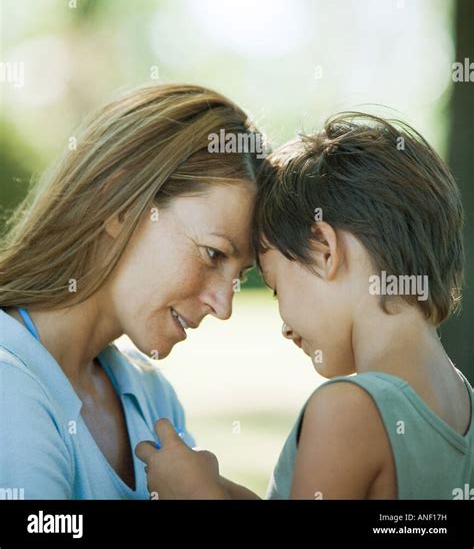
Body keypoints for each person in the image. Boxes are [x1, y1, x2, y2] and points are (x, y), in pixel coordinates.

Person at [136, 112, 474, 500]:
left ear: (324, 250)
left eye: (276, 287)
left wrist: (194, 493)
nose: (284, 326)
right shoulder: (462, 408)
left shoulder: (347, 410)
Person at [0, 83, 263, 499]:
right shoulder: (8, 386)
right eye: (213, 254)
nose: (224, 305)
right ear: (120, 206)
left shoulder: (152, 396)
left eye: (240, 275)